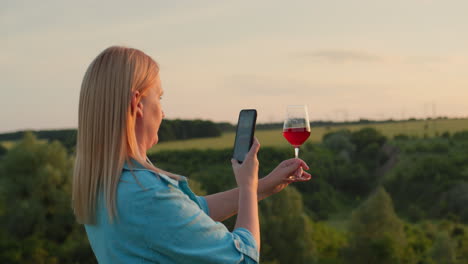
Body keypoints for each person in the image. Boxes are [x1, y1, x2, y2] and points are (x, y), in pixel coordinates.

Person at [72, 46, 312, 264]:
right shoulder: (146, 193)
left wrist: (264, 186)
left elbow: (194, 211)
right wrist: (247, 188)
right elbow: (243, 259)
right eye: (159, 97)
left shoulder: (107, 182)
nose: (163, 113)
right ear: (138, 104)